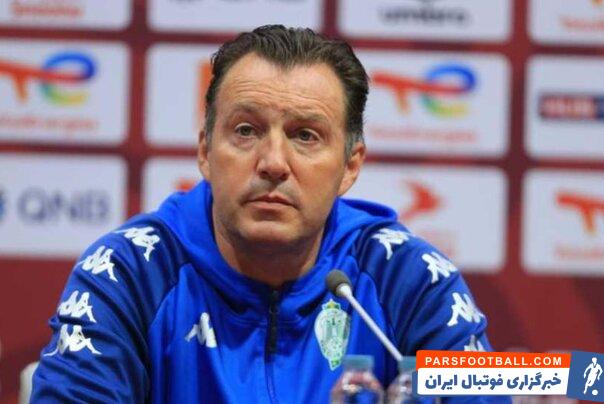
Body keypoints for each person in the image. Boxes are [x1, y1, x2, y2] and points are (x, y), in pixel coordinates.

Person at [31, 25, 509, 403]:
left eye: (305, 135)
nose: (274, 162)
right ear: (205, 151)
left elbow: (509, 386)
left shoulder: (407, 277)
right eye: (246, 130)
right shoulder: (130, 273)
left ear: (350, 166)